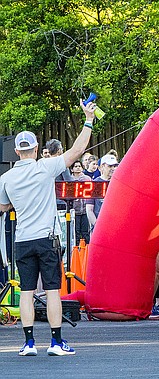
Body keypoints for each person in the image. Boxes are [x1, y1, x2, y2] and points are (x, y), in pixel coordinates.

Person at [0, 100, 97, 356]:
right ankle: (55, 342)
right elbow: (77, 150)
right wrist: (88, 119)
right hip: (46, 239)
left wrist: (14, 204)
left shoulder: (6, 178)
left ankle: (28, 343)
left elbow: (1, 206)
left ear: (17, 152)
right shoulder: (45, 167)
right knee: (53, 289)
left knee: (27, 291)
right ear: (35, 148)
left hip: (22, 240)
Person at [85, 154, 118, 233]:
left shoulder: (119, 183)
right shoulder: (94, 184)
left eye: (115, 166)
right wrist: (97, 227)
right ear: (102, 167)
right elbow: (89, 210)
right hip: (99, 229)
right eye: (110, 166)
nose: (113, 169)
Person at [70, 160, 92, 244]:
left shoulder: (87, 179)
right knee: (76, 232)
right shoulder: (70, 180)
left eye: (79, 166)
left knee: (85, 232)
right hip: (74, 211)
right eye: (75, 166)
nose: (78, 168)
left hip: (85, 210)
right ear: (72, 169)